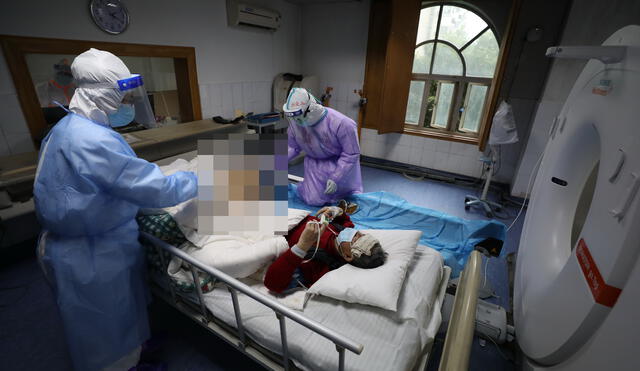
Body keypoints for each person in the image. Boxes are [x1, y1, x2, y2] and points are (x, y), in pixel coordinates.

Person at [33, 48, 197, 371]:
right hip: (90, 253)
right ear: (102, 95)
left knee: (125, 305)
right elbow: (153, 187)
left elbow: (113, 180)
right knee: (104, 322)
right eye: (122, 97)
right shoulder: (91, 140)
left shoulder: (66, 128)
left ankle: (137, 348)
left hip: (84, 241)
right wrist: (199, 180)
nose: (128, 104)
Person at [264, 205, 386, 293]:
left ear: (347, 256)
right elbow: (346, 221)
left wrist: (302, 245)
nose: (355, 234)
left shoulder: (318, 266)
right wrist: (337, 211)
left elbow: (272, 284)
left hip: (270, 228)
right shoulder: (341, 231)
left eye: (355, 240)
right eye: (361, 234)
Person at [285, 88, 363, 206]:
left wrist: (336, 177)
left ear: (311, 109)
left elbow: (350, 154)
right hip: (314, 163)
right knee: (313, 200)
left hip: (339, 164)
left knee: (348, 200)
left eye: (299, 117)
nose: (297, 122)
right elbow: (292, 147)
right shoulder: (296, 124)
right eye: (294, 118)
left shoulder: (343, 123)